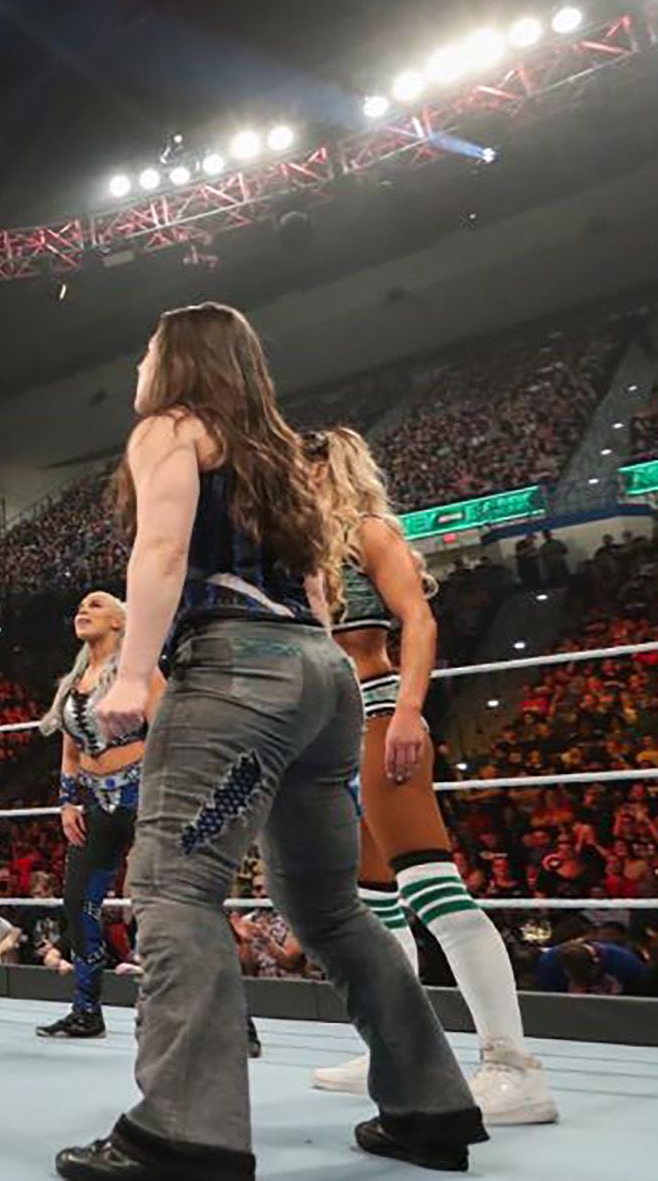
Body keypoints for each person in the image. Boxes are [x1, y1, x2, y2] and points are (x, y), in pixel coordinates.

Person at [54, 303, 484, 1181]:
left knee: (174, 888)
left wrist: (132, 674)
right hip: (321, 678)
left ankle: (184, 1133)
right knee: (330, 909)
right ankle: (430, 1109)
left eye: (147, 350)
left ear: (179, 360)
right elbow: (320, 592)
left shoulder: (172, 427)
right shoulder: (282, 452)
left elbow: (162, 549)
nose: (138, 366)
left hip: (236, 670)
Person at [305, 427, 558, 1125]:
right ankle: (397, 1048)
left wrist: (411, 710)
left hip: (379, 711)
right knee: (373, 901)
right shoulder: (302, 552)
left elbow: (417, 619)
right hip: (328, 729)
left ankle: (513, 1065)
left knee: (430, 885)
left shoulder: (370, 530)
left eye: (300, 465)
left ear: (327, 467)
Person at [36, 591, 163, 1039]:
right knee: (78, 902)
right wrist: (67, 801)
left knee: (176, 901)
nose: (83, 610)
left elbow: (166, 730)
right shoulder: (74, 683)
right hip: (93, 802)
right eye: (80, 607)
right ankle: (86, 1009)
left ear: (118, 622)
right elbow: (70, 752)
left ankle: (235, 1019)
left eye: (95, 604)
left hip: (143, 793)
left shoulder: (139, 671)